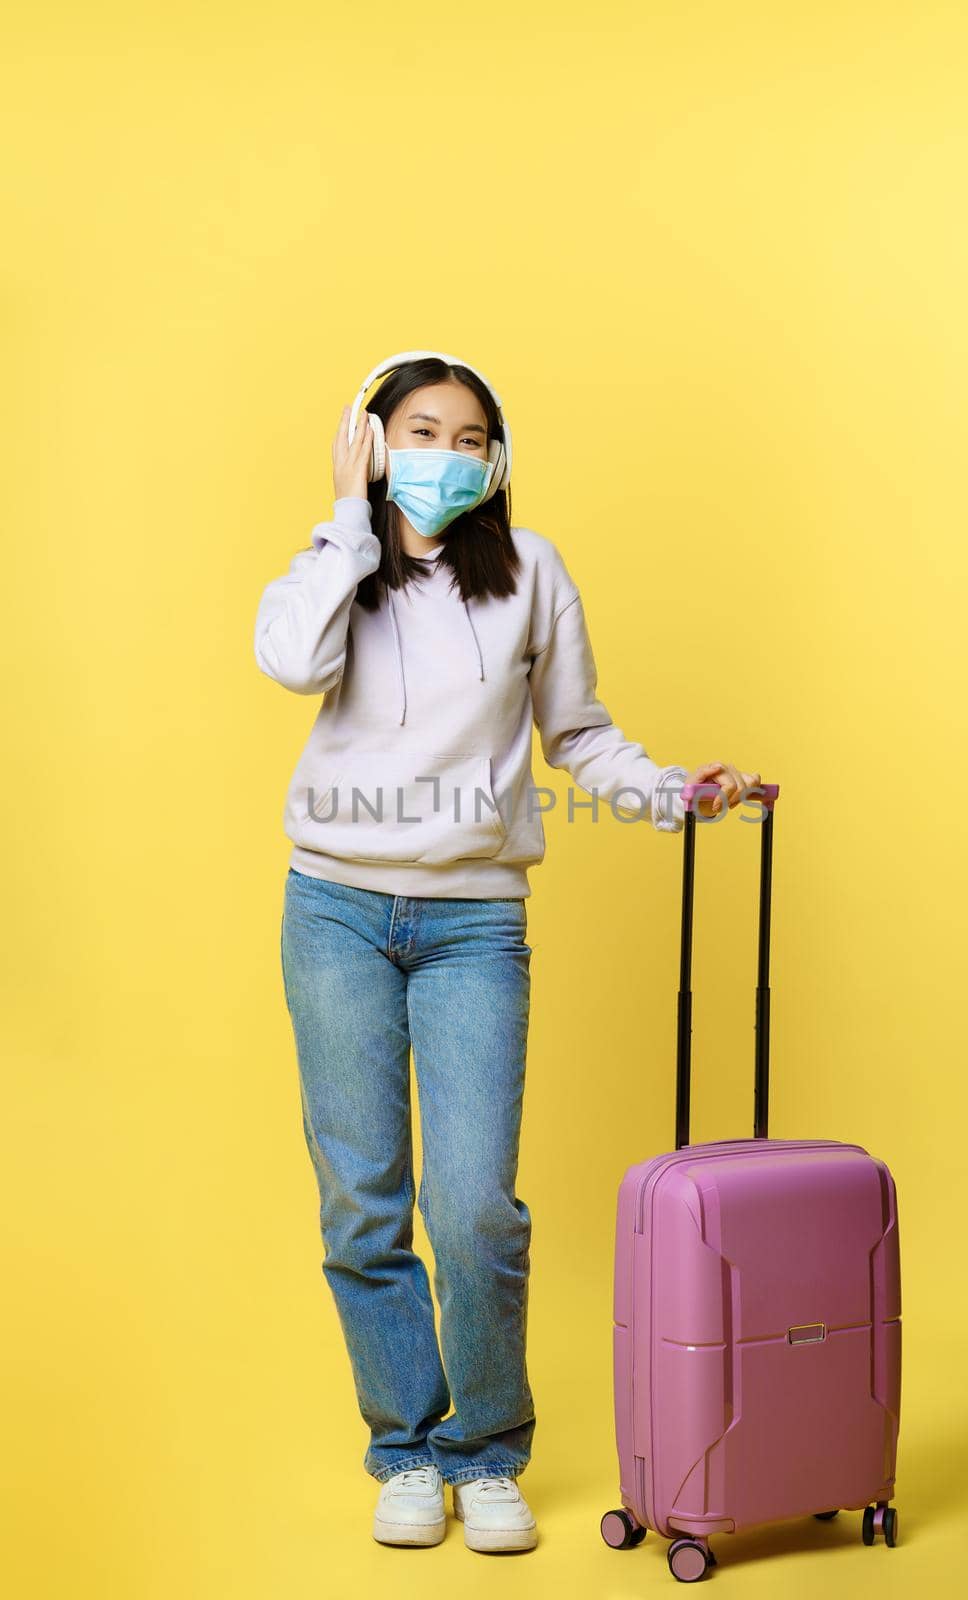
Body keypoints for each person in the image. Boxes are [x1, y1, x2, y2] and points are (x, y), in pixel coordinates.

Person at [253, 352, 763, 1555]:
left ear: (498, 460)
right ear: (372, 443)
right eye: (417, 430)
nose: (446, 454)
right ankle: (404, 1447)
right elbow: (288, 663)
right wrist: (347, 522)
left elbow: (577, 735)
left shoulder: (529, 575)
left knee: (473, 1206)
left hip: (474, 923)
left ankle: (483, 1450)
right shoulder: (334, 572)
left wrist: (668, 791)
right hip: (333, 911)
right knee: (362, 1201)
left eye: (469, 436)